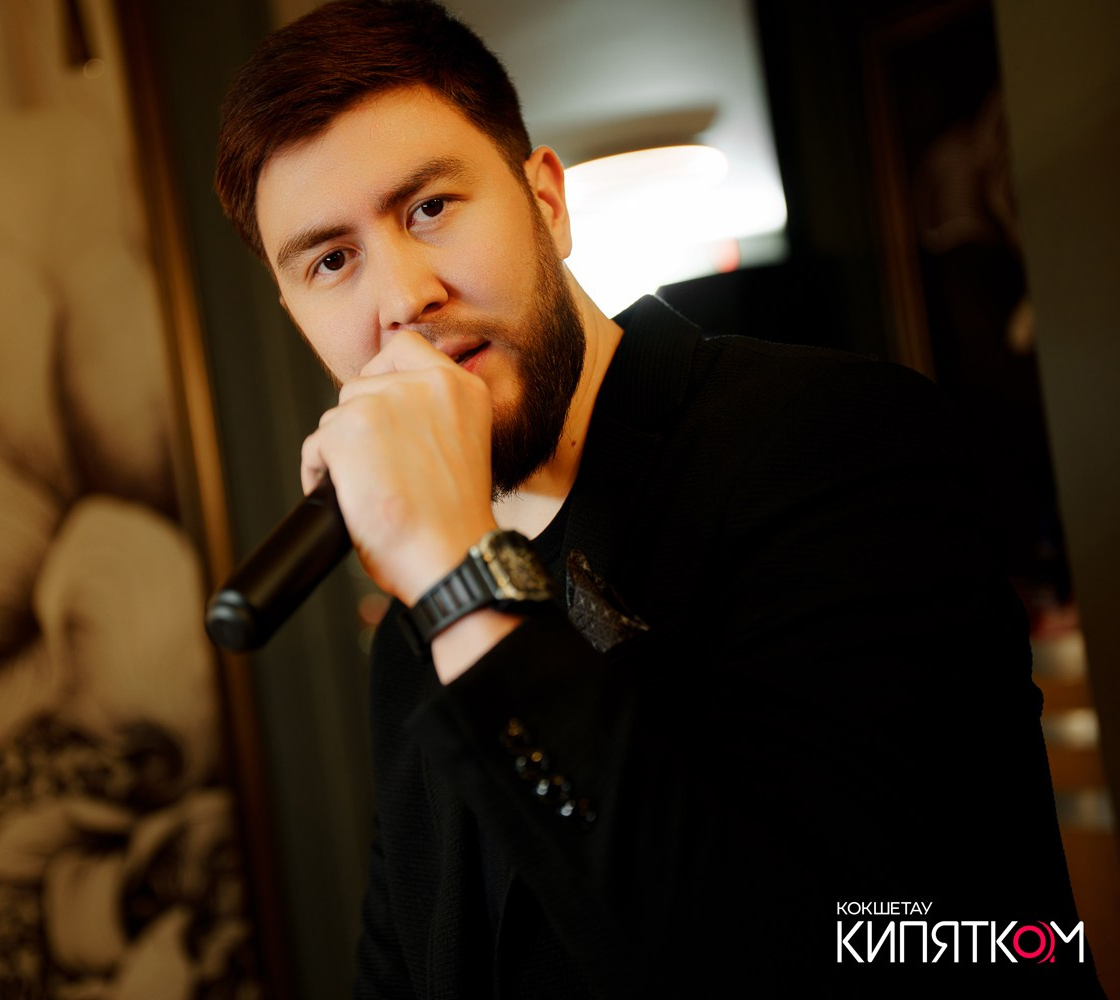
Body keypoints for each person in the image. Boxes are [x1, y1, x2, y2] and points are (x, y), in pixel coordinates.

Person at [214, 1, 1098, 995]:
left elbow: (843, 951)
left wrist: (460, 578)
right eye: (332, 261)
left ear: (547, 203)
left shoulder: (838, 437)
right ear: (296, 313)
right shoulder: (416, 639)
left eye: (430, 208)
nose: (401, 298)